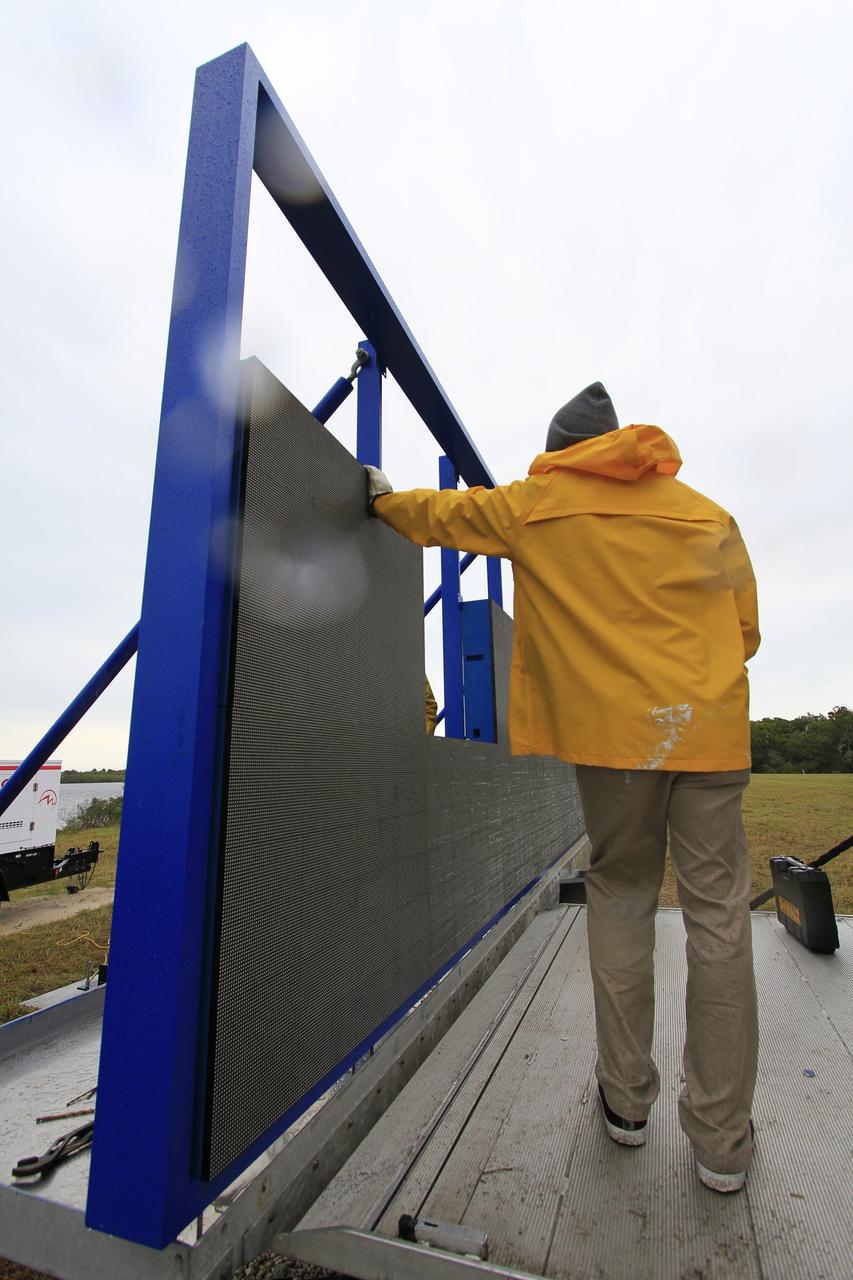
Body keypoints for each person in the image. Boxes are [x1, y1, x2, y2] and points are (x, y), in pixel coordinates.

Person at [364, 382, 760, 1193]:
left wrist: (380, 498)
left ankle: (625, 1104)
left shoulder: (538, 504)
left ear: (562, 450)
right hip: (708, 733)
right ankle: (722, 1142)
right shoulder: (706, 513)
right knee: (719, 914)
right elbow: (744, 632)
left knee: (620, 894)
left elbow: (442, 514)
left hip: (615, 746)